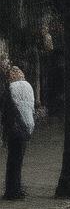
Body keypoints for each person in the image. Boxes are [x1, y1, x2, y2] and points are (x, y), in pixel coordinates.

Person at [2, 66, 34, 200]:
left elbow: (8, 109)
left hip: (15, 127)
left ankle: (12, 190)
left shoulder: (11, 88)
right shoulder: (28, 86)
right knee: (18, 160)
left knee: (13, 160)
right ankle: (16, 188)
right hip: (28, 125)